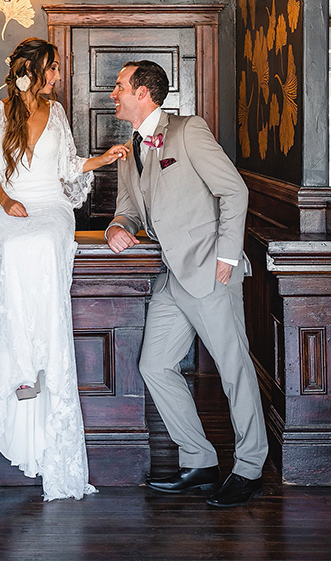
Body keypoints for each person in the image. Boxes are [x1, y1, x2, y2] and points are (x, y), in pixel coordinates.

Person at [105, 60, 268, 508]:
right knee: (155, 366)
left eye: (119, 86)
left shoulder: (187, 130)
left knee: (234, 370)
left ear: (143, 92)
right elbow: (127, 210)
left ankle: (250, 468)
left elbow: (234, 191)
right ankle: (199, 461)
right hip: (170, 277)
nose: (113, 94)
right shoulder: (128, 151)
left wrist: (227, 257)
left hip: (210, 270)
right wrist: (116, 227)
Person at [0, 37, 128, 501]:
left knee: (43, 241)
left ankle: (44, 363)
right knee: (18, 246)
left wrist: (103, 159)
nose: (58, 75)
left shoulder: (56, 112)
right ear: (31, 70)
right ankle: (21, 367)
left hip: (52, 207)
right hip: (9, 206)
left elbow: (68, 166)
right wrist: (7, 202)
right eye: (53, 67)